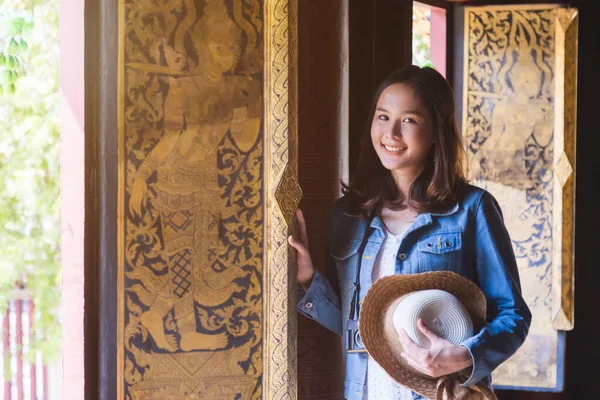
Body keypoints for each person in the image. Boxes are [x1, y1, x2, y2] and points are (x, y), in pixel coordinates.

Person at [288, 65, 532, 400]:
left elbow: (513, 315)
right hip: (366, 391)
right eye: (383, 116)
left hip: (444, 392)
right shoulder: (347, 215)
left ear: (436, 132)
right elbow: (358, 328)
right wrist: (308, 279)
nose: (391, 133)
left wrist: (465, 356)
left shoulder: (473, 209)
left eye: (409, 120)